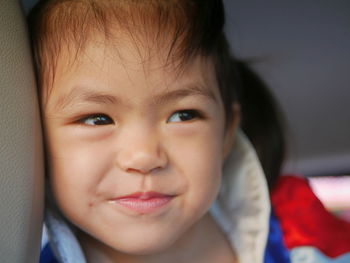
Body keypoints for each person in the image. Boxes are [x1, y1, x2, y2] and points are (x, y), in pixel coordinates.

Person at [27, 0, 350, 263]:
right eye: (97, 119)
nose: (144, 156)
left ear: (226, 134)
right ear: (38, 143)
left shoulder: (299, 231)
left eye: (183, 115)